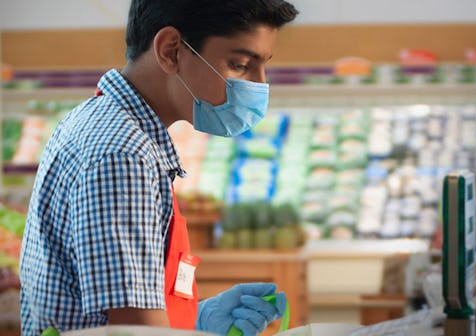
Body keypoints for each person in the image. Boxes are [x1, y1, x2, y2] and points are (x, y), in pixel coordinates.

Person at [19, 1, 298, 335]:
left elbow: (124, 315)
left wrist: (194, 320)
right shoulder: (122, 156)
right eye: (239, 65)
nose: (259, 85)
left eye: (263, 67)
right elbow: (134, 332)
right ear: (171, 51)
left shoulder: (103, 123)